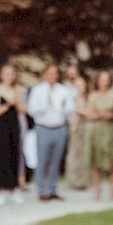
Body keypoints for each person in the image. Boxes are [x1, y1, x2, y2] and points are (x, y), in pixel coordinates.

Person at [27, 63, 75, 201]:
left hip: (59, 128)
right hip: (43, 128)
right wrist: (45, 105)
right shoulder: (38, 90)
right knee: (42, 160)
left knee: (56, 161)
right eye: (50, 73)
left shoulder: (63, 90)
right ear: (44, 75)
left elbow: (70, 108)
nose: (53, 76)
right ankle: (41, 190)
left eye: (55, 73)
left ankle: (53, 189)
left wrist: (65, 108)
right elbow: (31, 110)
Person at [0, 63, 27, 206]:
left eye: (11, 73)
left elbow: (23, 110)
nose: (9, 76)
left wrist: (17, 103)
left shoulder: (19, 89)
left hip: (14, 125)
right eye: (6, 73)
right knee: (1, 156)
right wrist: (8, 103)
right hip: (1, 126)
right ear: (1, 74)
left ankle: (12, 188)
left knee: (13, 155)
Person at [84, 70, 113, 201]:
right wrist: (99, 115)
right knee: (96, 162)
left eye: (106, 80)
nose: (104, 82)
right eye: (102, 79)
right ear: (98, 81)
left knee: (111, 161)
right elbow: (88, 114)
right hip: (97, 129)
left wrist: (111, 116)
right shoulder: (93, 96)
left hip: (110, 130)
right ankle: (97, 192)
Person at [63, 65, 90, 190]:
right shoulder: (67, 91)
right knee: (73, 153)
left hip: (86, 126)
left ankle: (83, 180)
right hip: (74, 126)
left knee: (84, 153)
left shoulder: (88, 97)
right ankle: (72, 180)